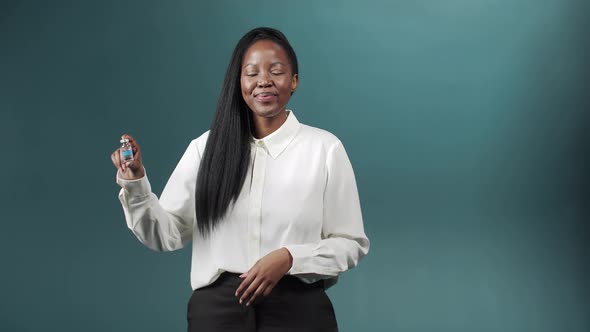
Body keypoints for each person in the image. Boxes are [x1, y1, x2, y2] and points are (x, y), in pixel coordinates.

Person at [110, 27, 370, 332]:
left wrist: (289, 258)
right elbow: (164, 234)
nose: (264, 81)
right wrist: (136, 183)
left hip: (298, 311)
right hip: (218, 315)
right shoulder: (205, 149)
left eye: (277, 71)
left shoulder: (324, 149)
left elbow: (351, 244)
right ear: (239, 82)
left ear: (294, 81)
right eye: (251, 72)